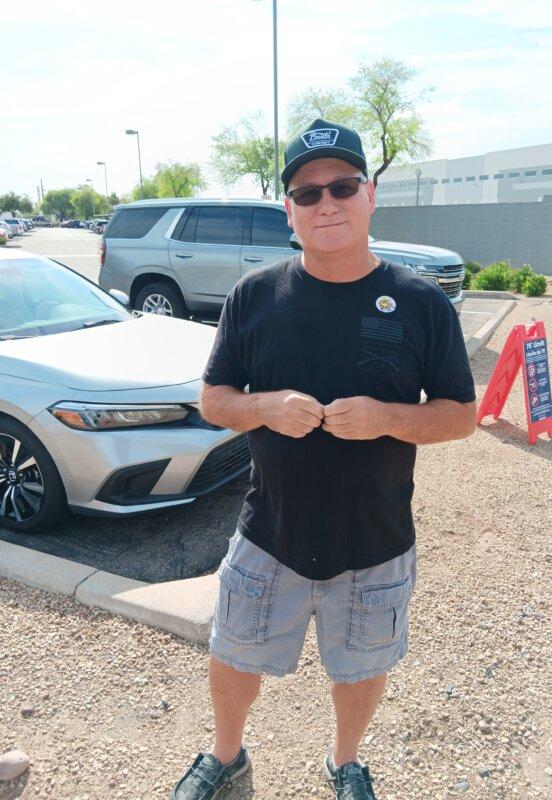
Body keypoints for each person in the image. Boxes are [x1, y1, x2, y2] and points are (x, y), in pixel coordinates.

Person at [170, 118, 476, 800]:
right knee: (232, 657)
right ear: (290, 212)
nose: (326, 203)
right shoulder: (255, 297)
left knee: (360, 668)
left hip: (376, 539)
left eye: (342, 186)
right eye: (307, 194)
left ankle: (345, 763)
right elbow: (215, 400)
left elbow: (462, 415)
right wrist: (265, 405)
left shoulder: (423, 303)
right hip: (268, 533)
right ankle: (226, 757)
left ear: (370, 196)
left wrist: (386, 419)